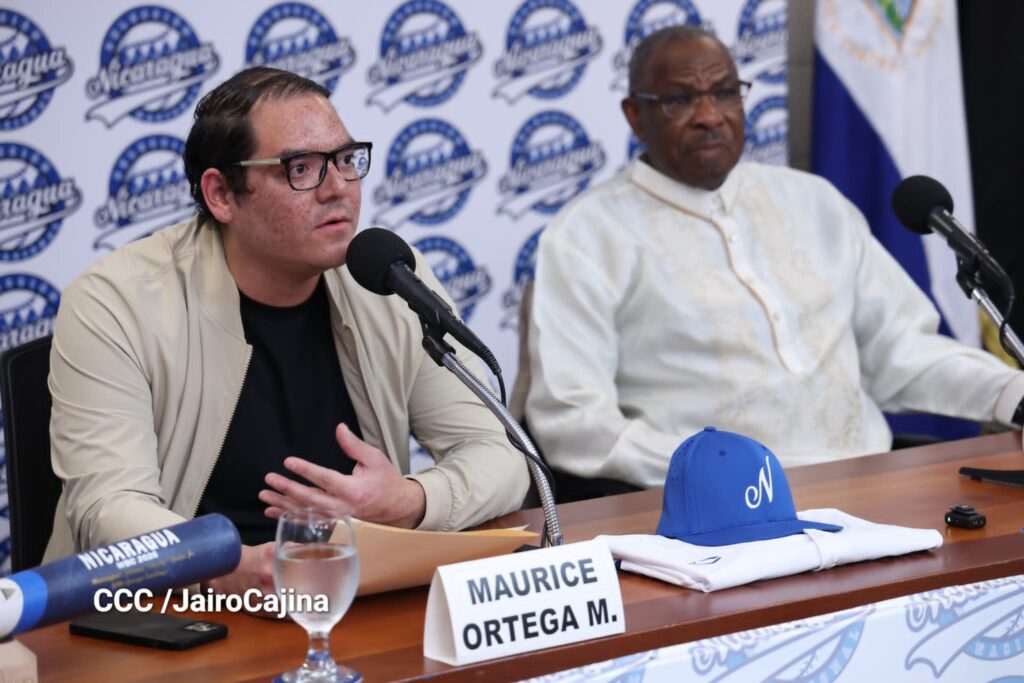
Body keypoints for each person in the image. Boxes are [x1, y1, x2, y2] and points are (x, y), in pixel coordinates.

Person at [43, 67, 529, 596]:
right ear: (221, 194)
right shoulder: (116, 302)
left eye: (346, 160)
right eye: (301, 168)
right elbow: (108, 511)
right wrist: (229, 566)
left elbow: (502, 457)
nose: (338, 188)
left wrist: (410, 501)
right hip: (174, 611)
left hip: (350, 597)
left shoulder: (387, 279)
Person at [525, 25, 1024, 493]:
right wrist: (720, 471)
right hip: (715, 510)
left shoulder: (813, 202)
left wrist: (1010, 392)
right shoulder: (586, 236)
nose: (709, 116)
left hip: (867, 485)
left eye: (725, 93)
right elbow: (574, 423)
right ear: (635, 115)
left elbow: (900, 352)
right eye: (680, 100)